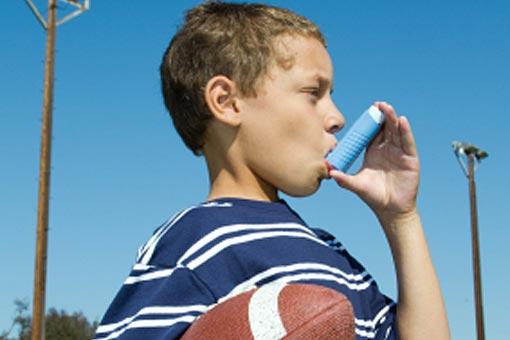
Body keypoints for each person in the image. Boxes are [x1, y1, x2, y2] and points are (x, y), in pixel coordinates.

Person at [94, 1, 450, 339]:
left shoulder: (332, 253)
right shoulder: (196, 242)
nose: (338, 117)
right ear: (227, 102)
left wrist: (401, 218)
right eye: (313, 93)